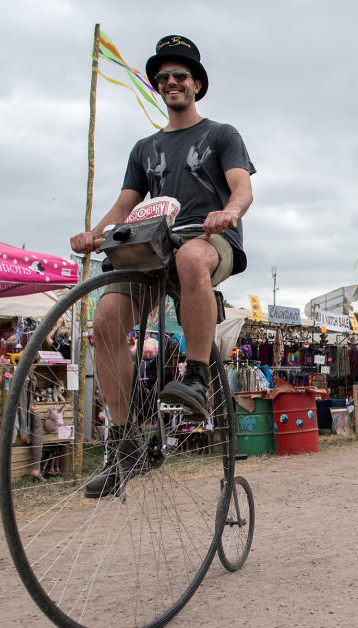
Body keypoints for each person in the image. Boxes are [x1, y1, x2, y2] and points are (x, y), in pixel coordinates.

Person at [70, 35, 255, 497]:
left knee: (192, 256)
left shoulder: (221, 135)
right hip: (154, 243)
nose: (172, 82)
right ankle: (125, 442)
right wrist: (94, 234)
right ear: (158, 87)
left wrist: (230, 211)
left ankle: (194, 378)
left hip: (209, 238)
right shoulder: (144, 148)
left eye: (180, 76)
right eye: (164, 77)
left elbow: (242, 187)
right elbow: (124, 205)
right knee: (106, 320)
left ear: (197, 84)